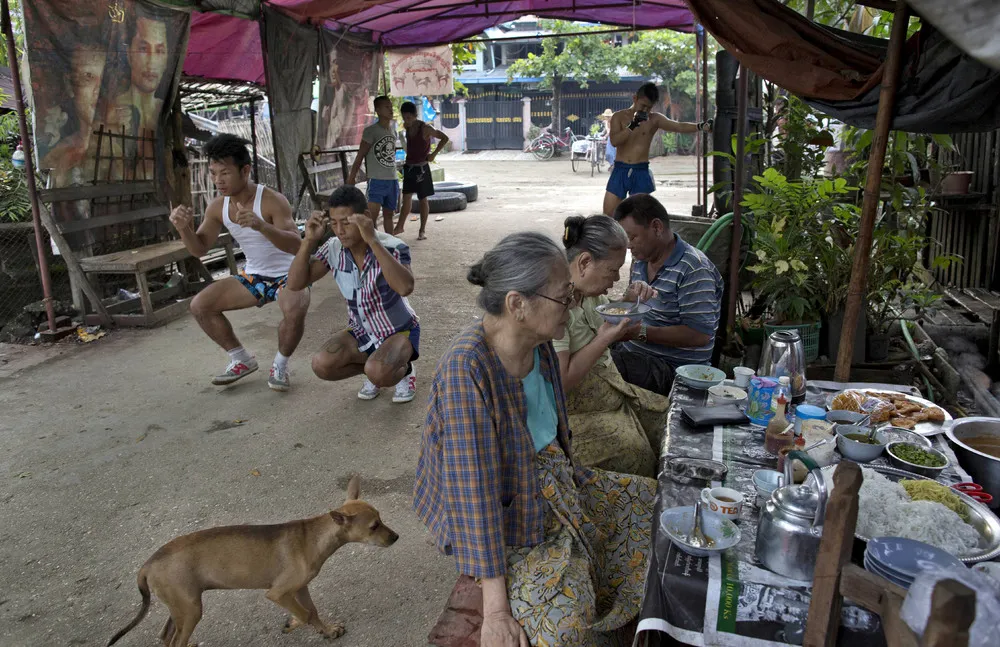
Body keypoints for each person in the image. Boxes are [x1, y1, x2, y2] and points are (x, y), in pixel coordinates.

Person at [414, 232, 655, 646]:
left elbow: (556, 436)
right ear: (517, 304)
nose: (572, 306)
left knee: (653, 505)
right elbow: (476, 494)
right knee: (563, 625)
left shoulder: (538, 344)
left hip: (552, 479)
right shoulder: (466, 370)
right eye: (564, 297)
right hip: (505, 513)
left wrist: (570, 485)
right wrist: (496, 611)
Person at [169, 134, 309, 391]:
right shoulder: (217, 207)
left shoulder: (271, 200)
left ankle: (280, 364)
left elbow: (297, 246)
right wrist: (183, 229)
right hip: (254, 276)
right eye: (213, 173)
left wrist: (262, 226)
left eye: (225, 173)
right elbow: (199, 249)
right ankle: (240, 359)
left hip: (290, 274)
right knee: (200, 305)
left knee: (295, 307)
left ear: (245, 171)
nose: (217, 181)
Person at [554, 215, 670, 477]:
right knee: (636, 453)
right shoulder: (555, 305)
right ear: (585, 262)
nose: (617, 278)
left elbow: (608, 317)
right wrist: (605, 337)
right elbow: (559, 382)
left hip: (611, 393)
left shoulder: (588, 294)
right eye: (612, 270)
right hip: (576, 416)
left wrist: (629, 300)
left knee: (669, 420)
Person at [286, 186, 419, 404]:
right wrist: (308, 240)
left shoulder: (393, 246)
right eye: (334, 223)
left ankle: (404, 371)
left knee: (380, 371)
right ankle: (373, 370)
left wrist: (372, 240)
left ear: (365, 217)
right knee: (322, 364)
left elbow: (405, 287)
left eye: (346, 222)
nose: (339, 230)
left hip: (398, 331)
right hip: (361, 331)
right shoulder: (334, 249)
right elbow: (295, 283)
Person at [611, 194, 723, 395]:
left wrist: (641, 333)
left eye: (632, 237)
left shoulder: (694, 268)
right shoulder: (640, 261)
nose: (628, 245)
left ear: (656, 227)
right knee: (586, 350)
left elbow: (700, 334)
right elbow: (632, 310)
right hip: (635, 355)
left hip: (673, 370)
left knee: (603, 368)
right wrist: (626, 301)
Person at [603, 82, 712, 216]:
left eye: (649, 108)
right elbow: (614, 141)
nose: (645, 111)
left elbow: (679, 126)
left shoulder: (654, 119)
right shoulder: (619, 117)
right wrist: (633, 125)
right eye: (643, 106)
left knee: (640, 217)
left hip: (641, 170)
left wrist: (701, 126)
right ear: (634, 98)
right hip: (620, 169)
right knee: (608, 214)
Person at [41, 45, 106, 185]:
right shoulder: (57, 157)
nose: (98, 90)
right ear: (70, 86)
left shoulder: (127, 144)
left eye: (105, 78)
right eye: (88, 76)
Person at [396, 101, 449, 240]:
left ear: (415, 115)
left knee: (422, 199)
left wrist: (433, 154)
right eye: (404, 118)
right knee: (406, 197)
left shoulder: (426, 128)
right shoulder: (407, 127)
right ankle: (400, 226)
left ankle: (422, 230)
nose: (406, 121)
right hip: (409, 166)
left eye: (409, 117)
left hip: (422, 168)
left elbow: (444, 138)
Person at [347, 96, 399, 235]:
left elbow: (391, 155)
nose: (390, 109)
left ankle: (390, 243)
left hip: (392, 180)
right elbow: (360, 155)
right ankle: (372, 245)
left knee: (389, 215)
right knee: (371, 218)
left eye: (391, 107)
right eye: (386, 107)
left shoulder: (393, 131)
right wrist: (352, 178)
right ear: (378, 110)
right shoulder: (371, 131)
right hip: (376, 180)